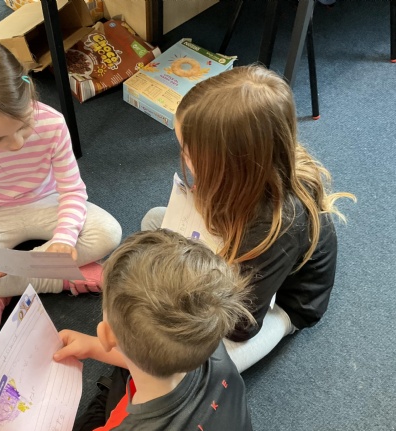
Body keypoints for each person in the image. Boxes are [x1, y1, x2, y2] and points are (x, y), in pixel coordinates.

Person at [9, 229, 263, 431]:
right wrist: (95, 347)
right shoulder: (211, 345)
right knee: (142, 349)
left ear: (106, 334)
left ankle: (108, 406)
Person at [142, 64, 356, 373]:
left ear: (231, 164)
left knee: (194, 367)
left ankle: (279, 325)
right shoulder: (260, 167)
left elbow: (241, 326)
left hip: (283, 306)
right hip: (242, 250)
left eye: (189, 153)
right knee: (154, 221)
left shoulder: (277, 228)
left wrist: (189, 293)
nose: (183, 158)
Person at [0, 37, 122, 332]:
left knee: (108, 233)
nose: (16, 143)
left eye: (23, 125)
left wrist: (64, 238)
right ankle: (64, 278)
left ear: (28, 90)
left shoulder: (52, 123)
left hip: (48, 201)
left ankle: (4, 287)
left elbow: (72, 190)